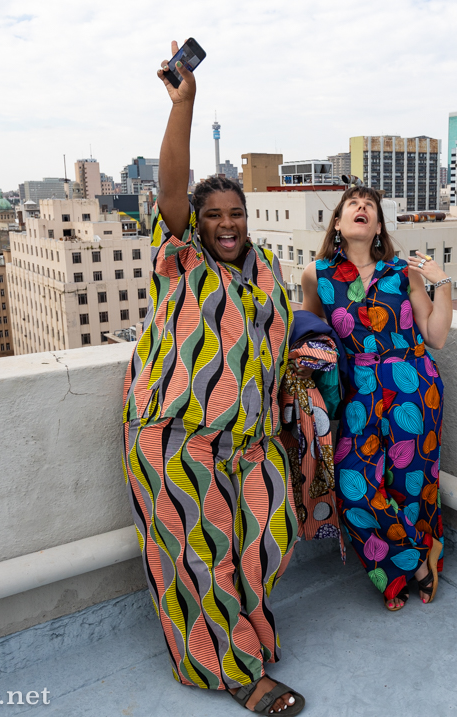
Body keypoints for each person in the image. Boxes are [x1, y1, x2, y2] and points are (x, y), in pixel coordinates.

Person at [121, 42, 304, 715]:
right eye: (214, 215)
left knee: (269, 531)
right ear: (198, 223)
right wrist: (185, 104)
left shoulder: (267, 273)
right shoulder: (182, 261)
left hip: (251, 439)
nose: (227, 224)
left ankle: (245, 636)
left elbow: (279, 347)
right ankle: (235, 672)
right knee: (201, 558)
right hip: (175, 434)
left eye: (237, 214)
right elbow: (171, 188)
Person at [301, 187, 453, 612]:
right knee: (356, 486)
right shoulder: (317, 274)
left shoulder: (403, 274)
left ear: (380, 225)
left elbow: (436, 335)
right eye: (353, 203)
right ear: (337, 222)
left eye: (370, 205)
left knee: (411, 484)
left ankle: (403, 574)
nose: (362, 207)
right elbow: (311, 330)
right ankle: (418, 561)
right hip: (359, 392)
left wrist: (441, 281)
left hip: (413, 383)